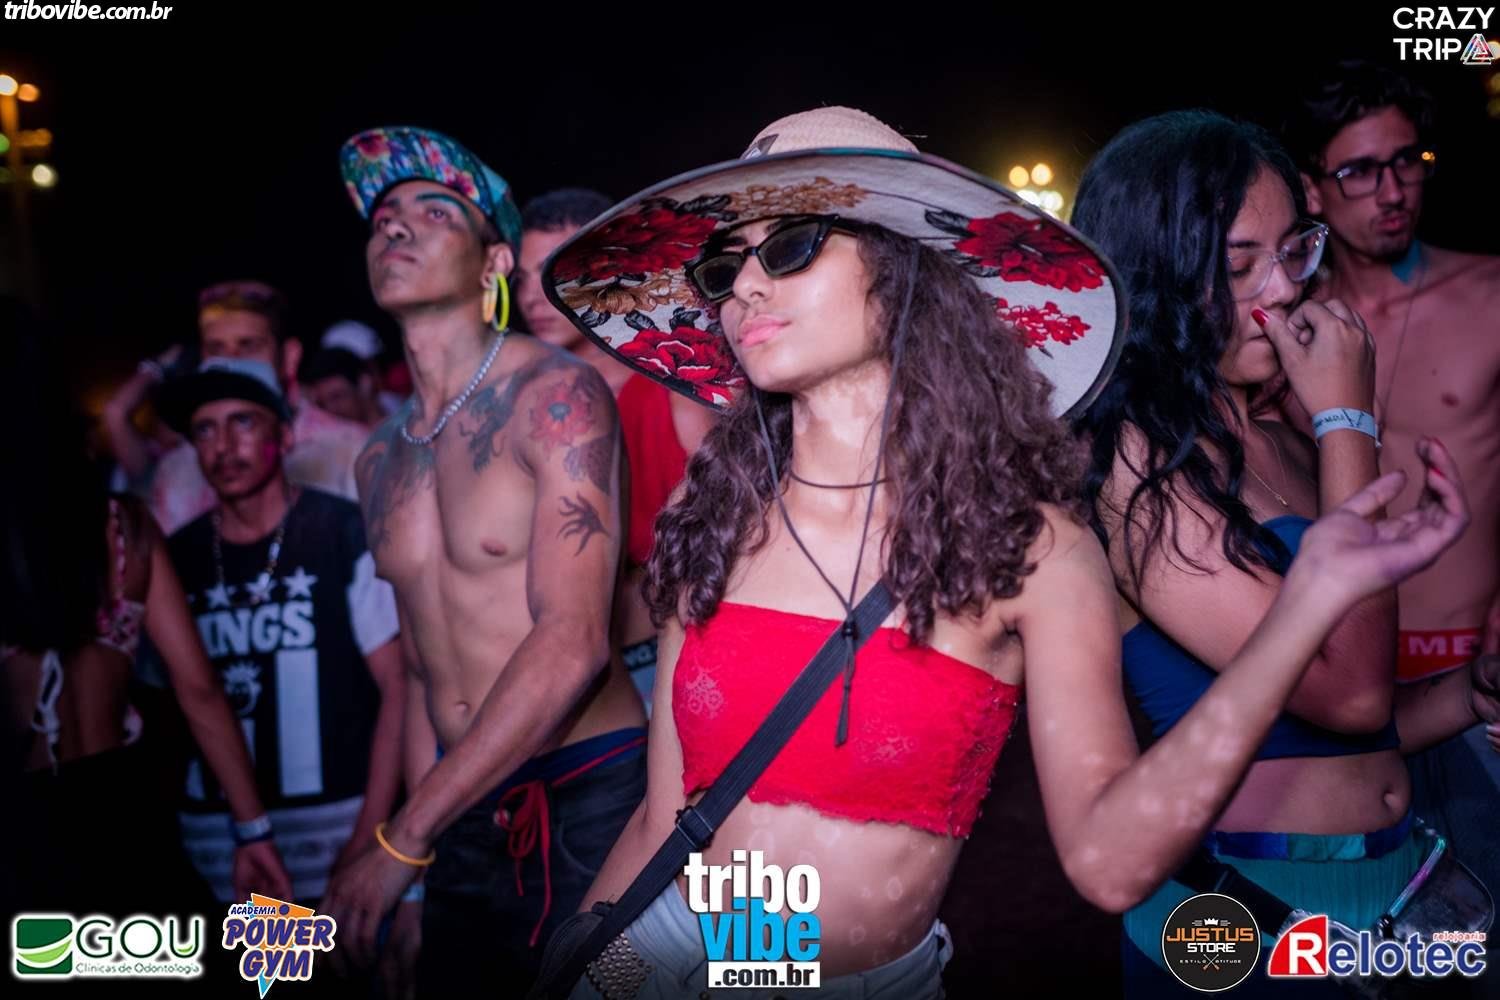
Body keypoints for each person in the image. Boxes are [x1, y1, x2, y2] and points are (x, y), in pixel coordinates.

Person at [537, 106, 1482, 1000]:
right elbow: (663, 819)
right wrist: (581, 971)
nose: (745, 286)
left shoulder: (1027, 546)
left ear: (903, 272)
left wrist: (1310, 603)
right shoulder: (712, 517)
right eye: (724, 266)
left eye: (790, 247)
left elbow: (1109, 864)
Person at [1070, 108, 1499, 995]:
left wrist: (1469, 692)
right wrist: (1348, 417)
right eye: (1238, 267)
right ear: (1158, 280)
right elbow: (1349, 693)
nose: (1282, 292)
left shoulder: (1286, 444)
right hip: (1243, 906)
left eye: (1294, 252)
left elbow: (1351, 728)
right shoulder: (1138, 463)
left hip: (1388, 881)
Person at [322, 126, 647, 995]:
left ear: (495, 262)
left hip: (585, 793)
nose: (396, 225)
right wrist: (418, 872)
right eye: (384, 216)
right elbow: (423, 669)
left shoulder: (555, 397)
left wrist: (402, 839)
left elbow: (574, 642)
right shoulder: (376, 457)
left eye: (434, 211)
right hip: (455, 810)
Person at [1283, 60, 1500, 921]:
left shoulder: (1488, 294)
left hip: (1475, 678)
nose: (1392, 189)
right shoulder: (1284, 330)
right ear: (1312, 188)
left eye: (1407, 160)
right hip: (1334, 691)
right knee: (1360, 948)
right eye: (1360, 170)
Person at [0, 297, 290, 923]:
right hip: (127, 818)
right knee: (172, 960)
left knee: (61, 963)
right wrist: (254, 831)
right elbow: (200, 689)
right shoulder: (123, 525)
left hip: (25, 843)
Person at [156, 357, 405, 906]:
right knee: (256, 962)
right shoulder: (176, 556)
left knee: (322, 959)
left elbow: (398, 687)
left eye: (243, 422)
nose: (224, 446)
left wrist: (371, 834)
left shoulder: (342, 532)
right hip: (217, 843)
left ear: (286, 436)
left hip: (336, 831)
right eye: (205, 430)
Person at [143, 280, 372, 535]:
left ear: (289, 357)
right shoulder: (177, 471)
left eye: (248, 345)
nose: (231, 362)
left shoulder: (353, 452)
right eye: (216, 348)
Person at [302, 345, 389, 429]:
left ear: (364, 384)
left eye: (337, 396)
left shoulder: (394, 424)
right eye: (322, 404)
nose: (331, 409)